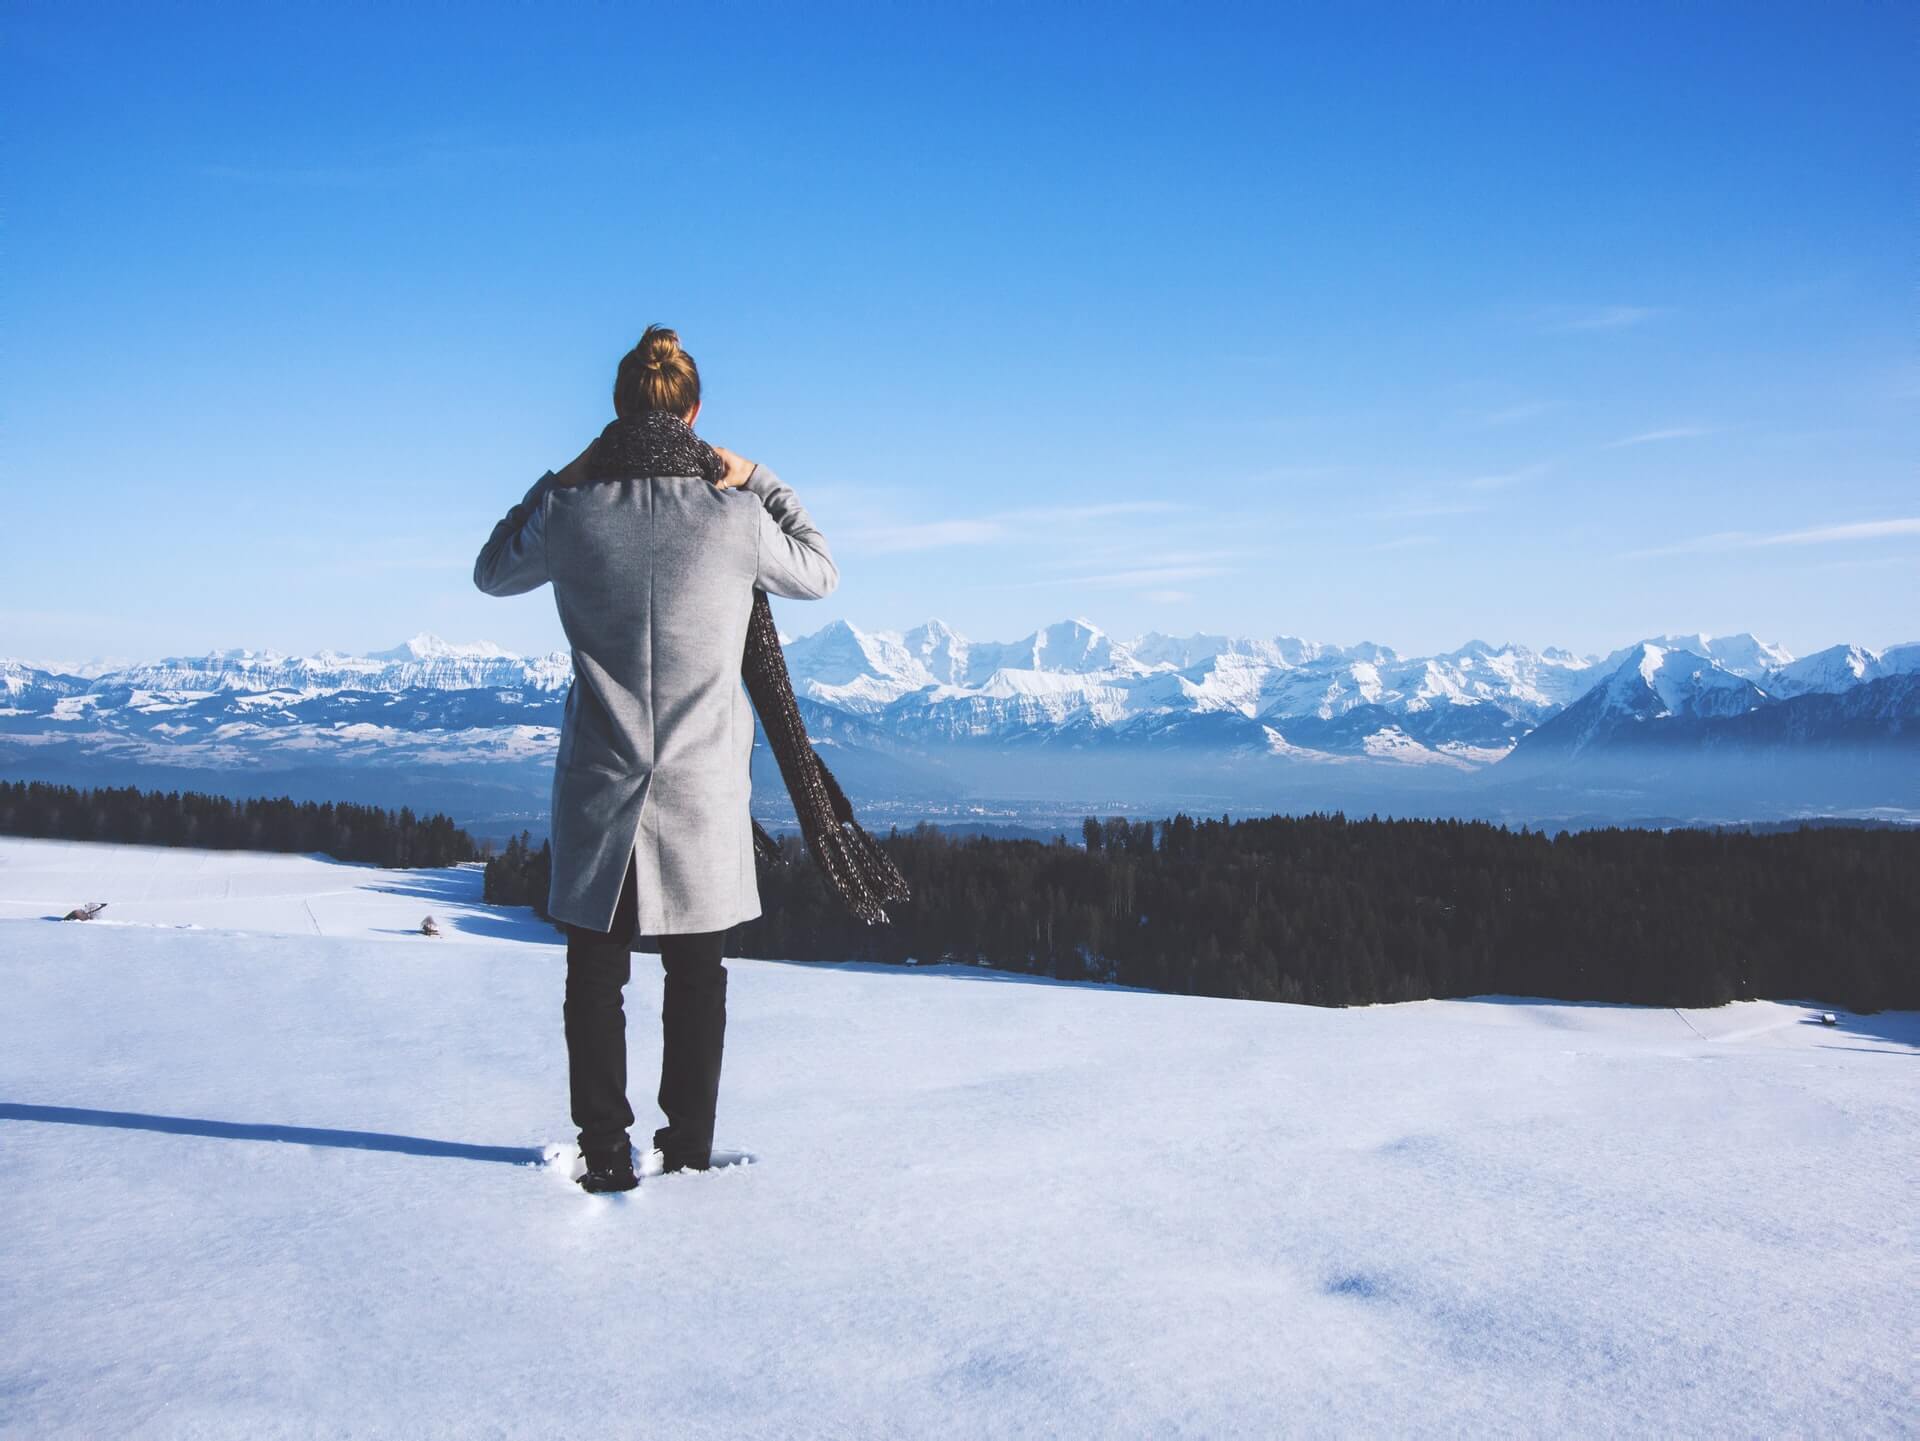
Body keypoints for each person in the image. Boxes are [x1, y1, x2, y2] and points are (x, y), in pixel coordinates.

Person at [472, 325, 839, 1192]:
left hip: (602, 783)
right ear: (696, 410)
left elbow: (492, 570)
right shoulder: (735, 518)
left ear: (613, 411)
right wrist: (757, 476)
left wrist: (564, 475)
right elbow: (820, 572)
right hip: (703, 788)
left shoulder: (570, 514)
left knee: (595, 975)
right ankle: (687, 1150)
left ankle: (604, 1148)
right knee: (696, 976)